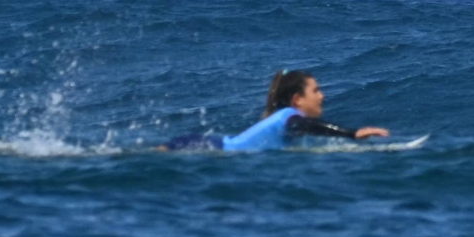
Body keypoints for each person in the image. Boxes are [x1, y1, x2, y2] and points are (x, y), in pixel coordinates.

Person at [163, 70, 389, 151]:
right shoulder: (291, 117)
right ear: (297, 99)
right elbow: (306, 126)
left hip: (206, 144)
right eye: (316, 91)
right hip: (204, 147)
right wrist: (352, 134)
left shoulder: (284, 118)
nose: (322, 96)